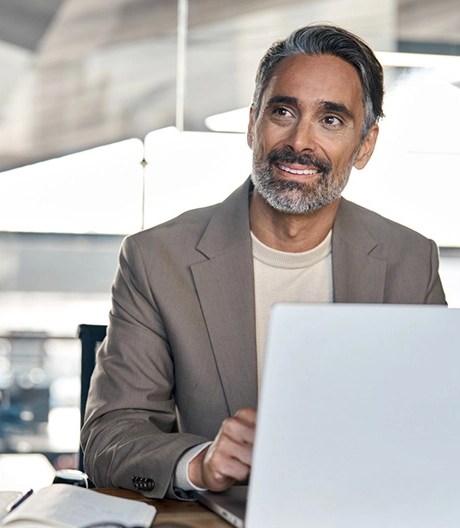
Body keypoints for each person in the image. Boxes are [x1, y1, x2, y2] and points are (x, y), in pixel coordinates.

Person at [81, 23, 446, 500]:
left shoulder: (410, 262)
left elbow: (438, 426)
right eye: (283, 111)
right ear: (253, 123)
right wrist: (200, 463)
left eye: (331, 120)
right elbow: (110, 437)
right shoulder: (156, 259)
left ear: (365, 145)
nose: (299, 142)